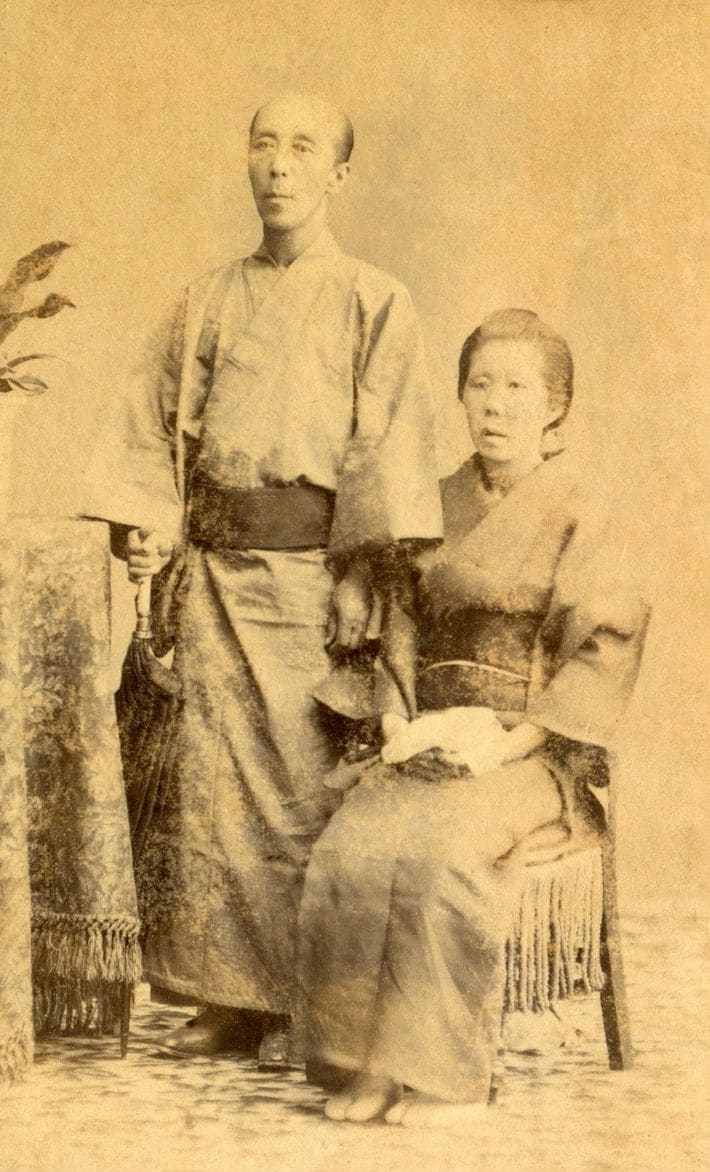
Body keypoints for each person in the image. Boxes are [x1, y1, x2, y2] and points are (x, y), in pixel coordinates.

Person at [82, 93, 442, 1067]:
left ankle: (296, 1002)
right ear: (247, 160)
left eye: (303, 148)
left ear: (337, 174)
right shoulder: (204, 299)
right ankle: (221, 996)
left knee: (297, 792)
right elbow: (153, 430)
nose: (279, 164)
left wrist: (359, 578)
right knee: (209, 797)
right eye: (263, 144)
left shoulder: (372, 300)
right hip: (211, 578)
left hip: (311, 584)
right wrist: (148, 529)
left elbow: (387, 453)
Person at [298, 308, 650, 1125]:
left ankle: (443, 1078)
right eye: (480, 384)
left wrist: (513, 742)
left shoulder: (584, 507)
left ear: (556, 404)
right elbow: (401, 625)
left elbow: (603, 646)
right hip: (429, 735)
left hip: (529, 751)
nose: (494, 404)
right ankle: (369, 1065)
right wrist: (399, 724)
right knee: (349, 845)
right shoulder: (434, 502)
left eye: (517, 387)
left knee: (445, 851)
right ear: (459, 396)